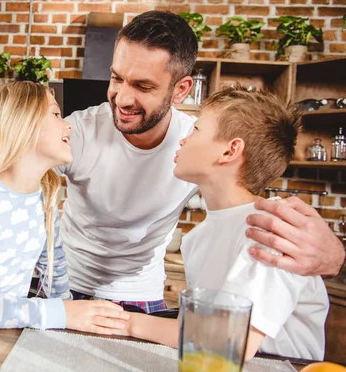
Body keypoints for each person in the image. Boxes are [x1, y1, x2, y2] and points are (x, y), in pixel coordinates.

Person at [0, 11, 345, 301]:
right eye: (117, 78)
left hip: (141, 293)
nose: (121, 97)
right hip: (61, 284)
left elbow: (248, 191)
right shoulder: (78, 130)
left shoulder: (197, 145)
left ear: (181, 90)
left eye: (143, 86)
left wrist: (334, 255)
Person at [116, 86, 328, 360]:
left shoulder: (273, 229)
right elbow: (195, 330)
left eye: (196, 130)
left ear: (230, 151)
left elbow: (227, 340)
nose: (183, 139)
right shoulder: (199, 236)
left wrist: (126, 322)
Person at [0, 81, 129, 332]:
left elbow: (55, 266)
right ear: (21, 126)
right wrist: (60, 313)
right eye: (55, 114)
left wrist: (71, 316)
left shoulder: (43, 199)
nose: (68, 124)